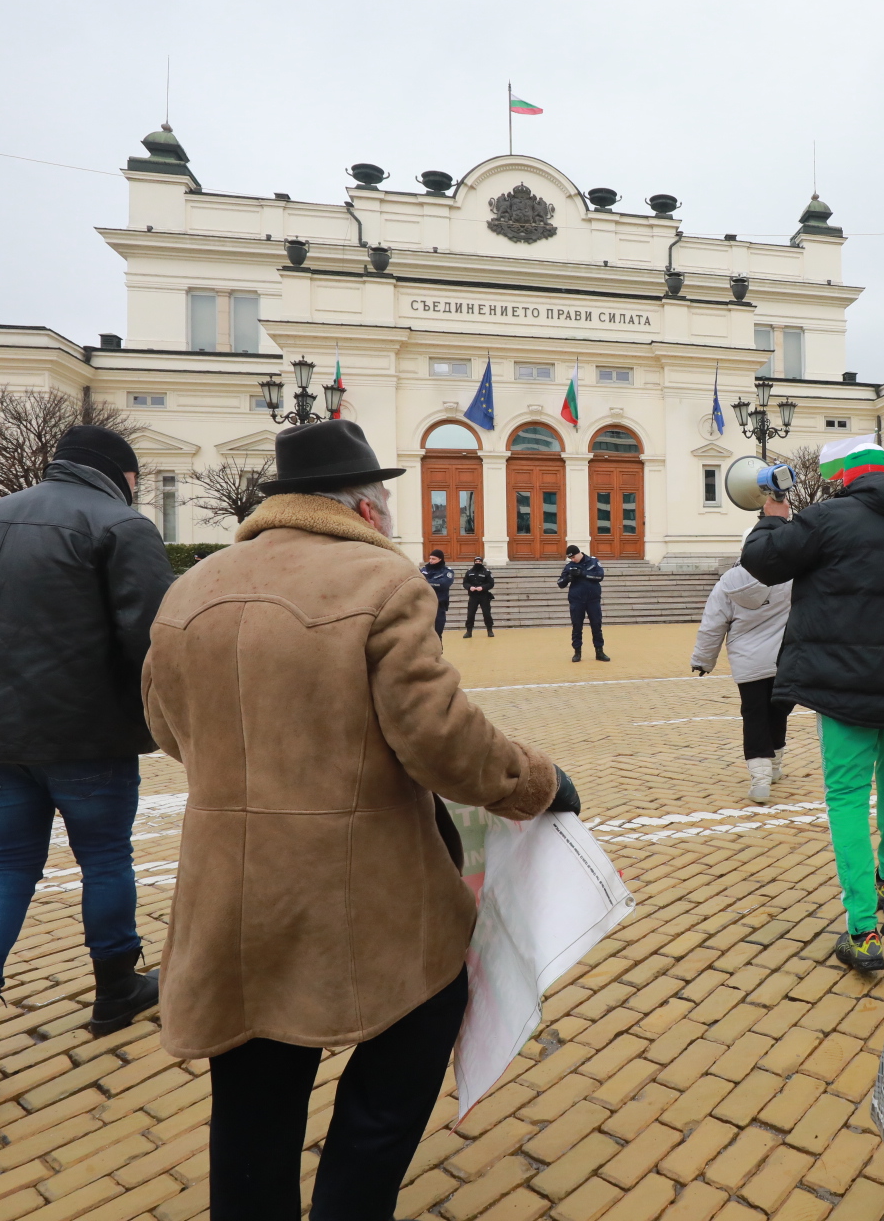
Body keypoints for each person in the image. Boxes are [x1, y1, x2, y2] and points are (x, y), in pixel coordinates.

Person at [142, 419, 576, 1217]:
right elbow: (441, 742)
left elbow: (168, 730)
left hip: (228, 893)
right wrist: (535, 783)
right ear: (365, 509)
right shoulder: (380, 582)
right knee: (405, 1052)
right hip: (368, 891)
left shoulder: (192, 586)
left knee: (252, 1104)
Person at [0, 425, 171, 1107]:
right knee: (106, 859)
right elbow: (153, 641)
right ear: (122, 474)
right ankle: (116, 987)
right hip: (86, 737)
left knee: (6, 869)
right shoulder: (121, 523)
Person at [741, 433, 884, 973]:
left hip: (844, 686)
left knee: (846, 799)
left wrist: (773, 517)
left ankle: (862, 929)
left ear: (847, 478)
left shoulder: (830, 518)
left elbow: (763, 562)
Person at [691, 551, 793, 804]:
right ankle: (775, 767)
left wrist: (704, 661)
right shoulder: (789, 575)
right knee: (778, 711)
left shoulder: (728, 581)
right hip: (785, 657)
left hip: (748, 662)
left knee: (754, 714)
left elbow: (713, 624)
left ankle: (760, 780)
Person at [559, 544, 609, 662]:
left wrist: (583, 574)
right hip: (577, 601)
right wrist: (568, 578)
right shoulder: (569, 566)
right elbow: (560, 583)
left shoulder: (593, 561)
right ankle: (577, 652)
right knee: (577, 626)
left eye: (573, 557)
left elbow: (600, 576)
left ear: (578, 553)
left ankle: (599, 652)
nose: (572, 560)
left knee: (596, 625)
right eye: (570, 558)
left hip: (592, 600)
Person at [421, 550, 455, 636]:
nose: (431, 561)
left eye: (433, 559)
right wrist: (434, 582)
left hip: (439, 605)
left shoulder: (447, 571)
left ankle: (438, 649)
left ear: (440, 559)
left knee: (437, 632)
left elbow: (444, 584)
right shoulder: (424, 570)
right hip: (425, 604)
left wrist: (427, 582)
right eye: (430, 558)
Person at [462, 556, 495, 637]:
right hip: (473, 596)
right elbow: (465, 583)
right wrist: (470, 587)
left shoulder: (487, 572)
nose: (477, 563)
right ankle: (469, 631)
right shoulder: (469, 572)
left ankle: (489, 630)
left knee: (487, 614)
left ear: (482, 562)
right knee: (470, 614)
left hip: (484, 596)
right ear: (474, 562)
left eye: (479, 561)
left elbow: (491, 583)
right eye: (476, 561)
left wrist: (483, 587)